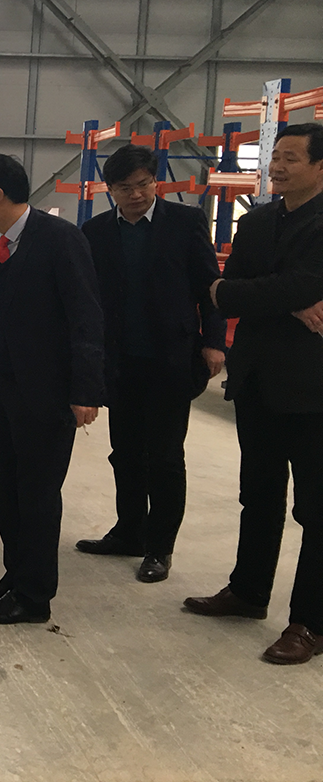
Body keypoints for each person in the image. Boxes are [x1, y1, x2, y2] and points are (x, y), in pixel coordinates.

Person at [185, 123, 323, 665]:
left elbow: (294, 283)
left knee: (316, 509)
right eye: (275, 156)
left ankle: (309, 622)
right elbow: (224, 292)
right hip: (257, 381)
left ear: (319, 166)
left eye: (291, 158)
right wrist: (289, 300)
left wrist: (272, 292)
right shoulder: (258, 220)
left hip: (313, 391)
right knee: (259, 495)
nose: (278, 166)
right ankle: (247, 591)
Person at [0, 154, 104, 625]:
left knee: (38, 495)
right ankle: (15, 576)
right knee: (6, 491)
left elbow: (86, 315)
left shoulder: (60, 239)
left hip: (46, 393)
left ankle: (34, 596)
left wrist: (86, 390)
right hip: (1, 388)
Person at [76, 145, 226, 584]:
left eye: (143, 184)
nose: (136, 194)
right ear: (110, 190)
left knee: (164, 457)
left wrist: (214, 343)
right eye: (125, 188)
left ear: (155, 181)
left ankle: (160, 548)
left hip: (171, 360)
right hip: (120, 362)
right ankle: (129, 532)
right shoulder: (96, 231)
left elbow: (211, 287)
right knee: (124, 453)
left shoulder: (186, 222)